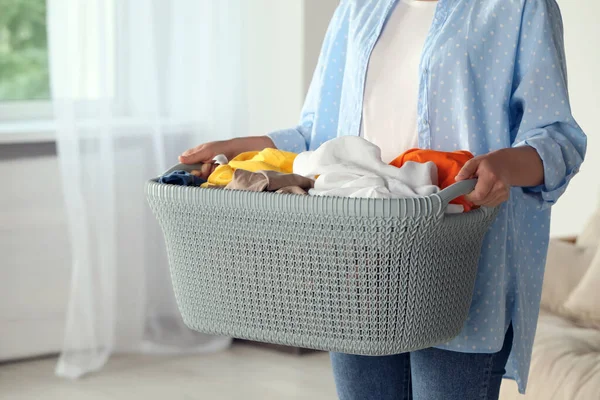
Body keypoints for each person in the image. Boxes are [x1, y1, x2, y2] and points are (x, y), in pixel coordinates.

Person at [180, 0, 586, 398]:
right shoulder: (358, 9)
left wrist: (503, 166)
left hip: (458, 265)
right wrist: (234, 149)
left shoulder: (518, 7)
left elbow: (557, 140)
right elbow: (317, 137)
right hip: (357, 265)